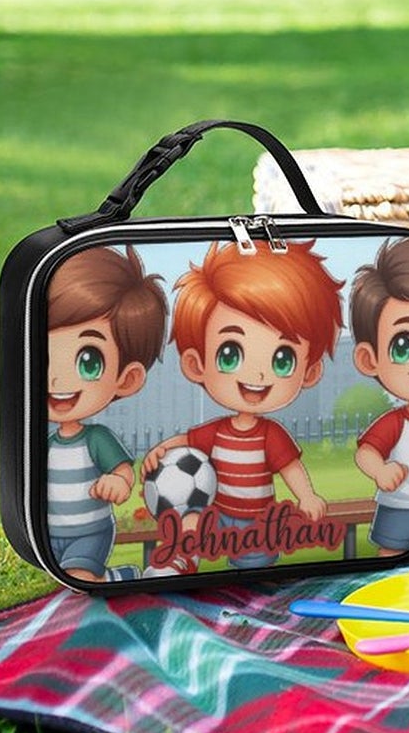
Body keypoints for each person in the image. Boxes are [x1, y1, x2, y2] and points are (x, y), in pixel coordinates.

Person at [143, 240, 339, 571]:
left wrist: (306, 496)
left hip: (259, 521)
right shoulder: (217, 431)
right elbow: (187, 441)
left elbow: (289, 467)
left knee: (256, 564)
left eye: (282, 358)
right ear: (195, 364)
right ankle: (177, 562)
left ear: (310, 371)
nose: (258, 374)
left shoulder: (270, 435)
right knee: (191, 527)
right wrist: (161, 450)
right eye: (230, 354)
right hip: (217, 515)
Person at [46, 245, 168, 583]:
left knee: (81, 578)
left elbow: (123, 469)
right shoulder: (46, 440)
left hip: (91, 532)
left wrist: (118, 481)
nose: (56, 379)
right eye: (45, 356)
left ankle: (118, 578)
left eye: (88, 361)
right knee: (71, 578)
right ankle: (122, 575)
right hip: (47, 529)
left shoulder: (96, 438)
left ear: (126, 380)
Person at [351, 237, 409, 556]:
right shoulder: (394, 423)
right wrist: (380, 471)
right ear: (369, 359)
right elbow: (366, 452)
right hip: (400, 502)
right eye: (404, 345)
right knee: (390, 551)